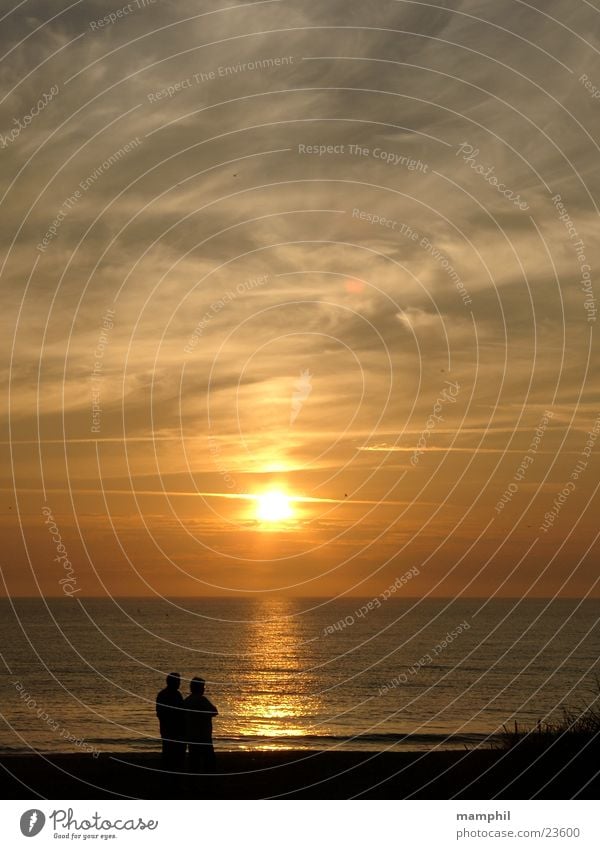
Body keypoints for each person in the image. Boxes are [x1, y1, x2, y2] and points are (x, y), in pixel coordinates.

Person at [183, 676, 218, 773]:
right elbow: (214, 711)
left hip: (191, 735)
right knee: (209, 761)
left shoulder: (187, 701)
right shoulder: (202, 700)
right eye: (203, 687)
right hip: (203, 736)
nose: (204, 689)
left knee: (194, 762)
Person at [155, 672, 185, 770]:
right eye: (178, 681)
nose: (179, 684)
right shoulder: (176, 695)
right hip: (174, 729)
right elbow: (181, 711)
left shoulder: (163, 694)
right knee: (174, 754)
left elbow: (159, 712)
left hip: (167, 728)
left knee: (168, 752)